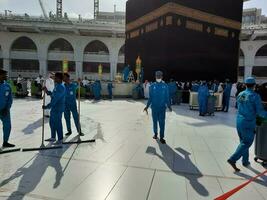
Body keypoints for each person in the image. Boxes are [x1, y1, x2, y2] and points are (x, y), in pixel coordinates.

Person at [227, 77, 267, 172]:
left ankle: (245, 161)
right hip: (248, 122)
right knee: (247, 142)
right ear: (254, 85)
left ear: (245, 84)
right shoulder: (254, 96)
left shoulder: (241, 94)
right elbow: (260, 111)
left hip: (239, 121)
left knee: (243, 142)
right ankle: (232, 159)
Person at [144, 71, 172, 144]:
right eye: (157, 76)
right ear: (155, 76)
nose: (158, 77)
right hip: (154, 108)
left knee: (162, 123)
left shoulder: (165, 86)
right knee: (154, 122)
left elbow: (167, 98)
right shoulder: (152, 86)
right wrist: (147, 106)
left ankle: (162, 137)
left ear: (162, 77)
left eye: (159, 76)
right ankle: (155, 134)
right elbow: (150, 98)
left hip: (162, 108)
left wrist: (169, 106)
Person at [43, 72, 65, 144]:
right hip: (54, 108)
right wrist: (47, 91)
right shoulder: (57, 86)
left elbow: (55, 99)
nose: (54, 79)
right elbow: (53, 94)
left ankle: (60, 138)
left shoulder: (61, 87)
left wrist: (47, 106)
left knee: (57, 123)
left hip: (58, 108)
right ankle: (53, 137)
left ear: (59, 78)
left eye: (55, 77)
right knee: (52, 122)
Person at [0, 69, 15, 148]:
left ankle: (5, 142)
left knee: (7, 126)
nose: (6, 76)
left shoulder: (7, 86)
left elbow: (10, 99)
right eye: (4, 75)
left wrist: (7, 108)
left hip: (5, 110)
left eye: (6, 75)